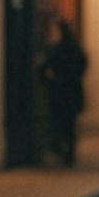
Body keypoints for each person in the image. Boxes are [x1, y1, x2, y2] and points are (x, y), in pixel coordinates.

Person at [39, 18, 88, 166]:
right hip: (62, 92)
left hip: (66, 92)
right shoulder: (57, 48)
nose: (53, 34)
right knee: (62, 124)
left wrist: (57, 76)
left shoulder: (67, 48)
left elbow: (80, 66)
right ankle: (65, 153)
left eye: (55, 31)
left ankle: (67, 155)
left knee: (67, 125)